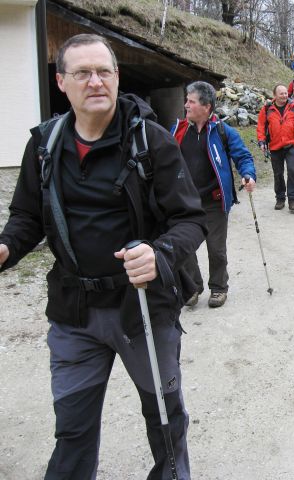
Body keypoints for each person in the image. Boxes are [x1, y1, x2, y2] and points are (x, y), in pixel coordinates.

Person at [0, 34, 206, 479]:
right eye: (82, 73)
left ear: (116, 78)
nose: (96, 82)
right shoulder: (43, 146)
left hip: (143, 311)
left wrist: (160, 253)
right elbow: (26, 217)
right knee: (72, 430)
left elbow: (191, 219)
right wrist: (6, 246)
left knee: (166, 424)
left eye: (104, 72)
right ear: (61, 82)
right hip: (75, 312)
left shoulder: (151, 142)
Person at [171, 81, 256, 309]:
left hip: (214, 202)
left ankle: (218, 288)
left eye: (191, 101)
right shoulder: (177, 131)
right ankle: (193, 287)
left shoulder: (222, 132)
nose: (186, 105)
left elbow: (244, 157)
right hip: (185, 203)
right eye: (186, 100)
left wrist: (248, 175)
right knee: (184, 248)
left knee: (216, 250)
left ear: (206, 106)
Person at [257, 84, 294, 212]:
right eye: (281, 93)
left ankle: (293, 199)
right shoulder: (267, 109)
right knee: (278, 174)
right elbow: (261, 127)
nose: (284, 95)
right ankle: (280, 198)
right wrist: (261, 141)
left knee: (292, 170)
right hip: (275, 145)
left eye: (286, 93)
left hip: (291, 143)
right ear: (275, 96)